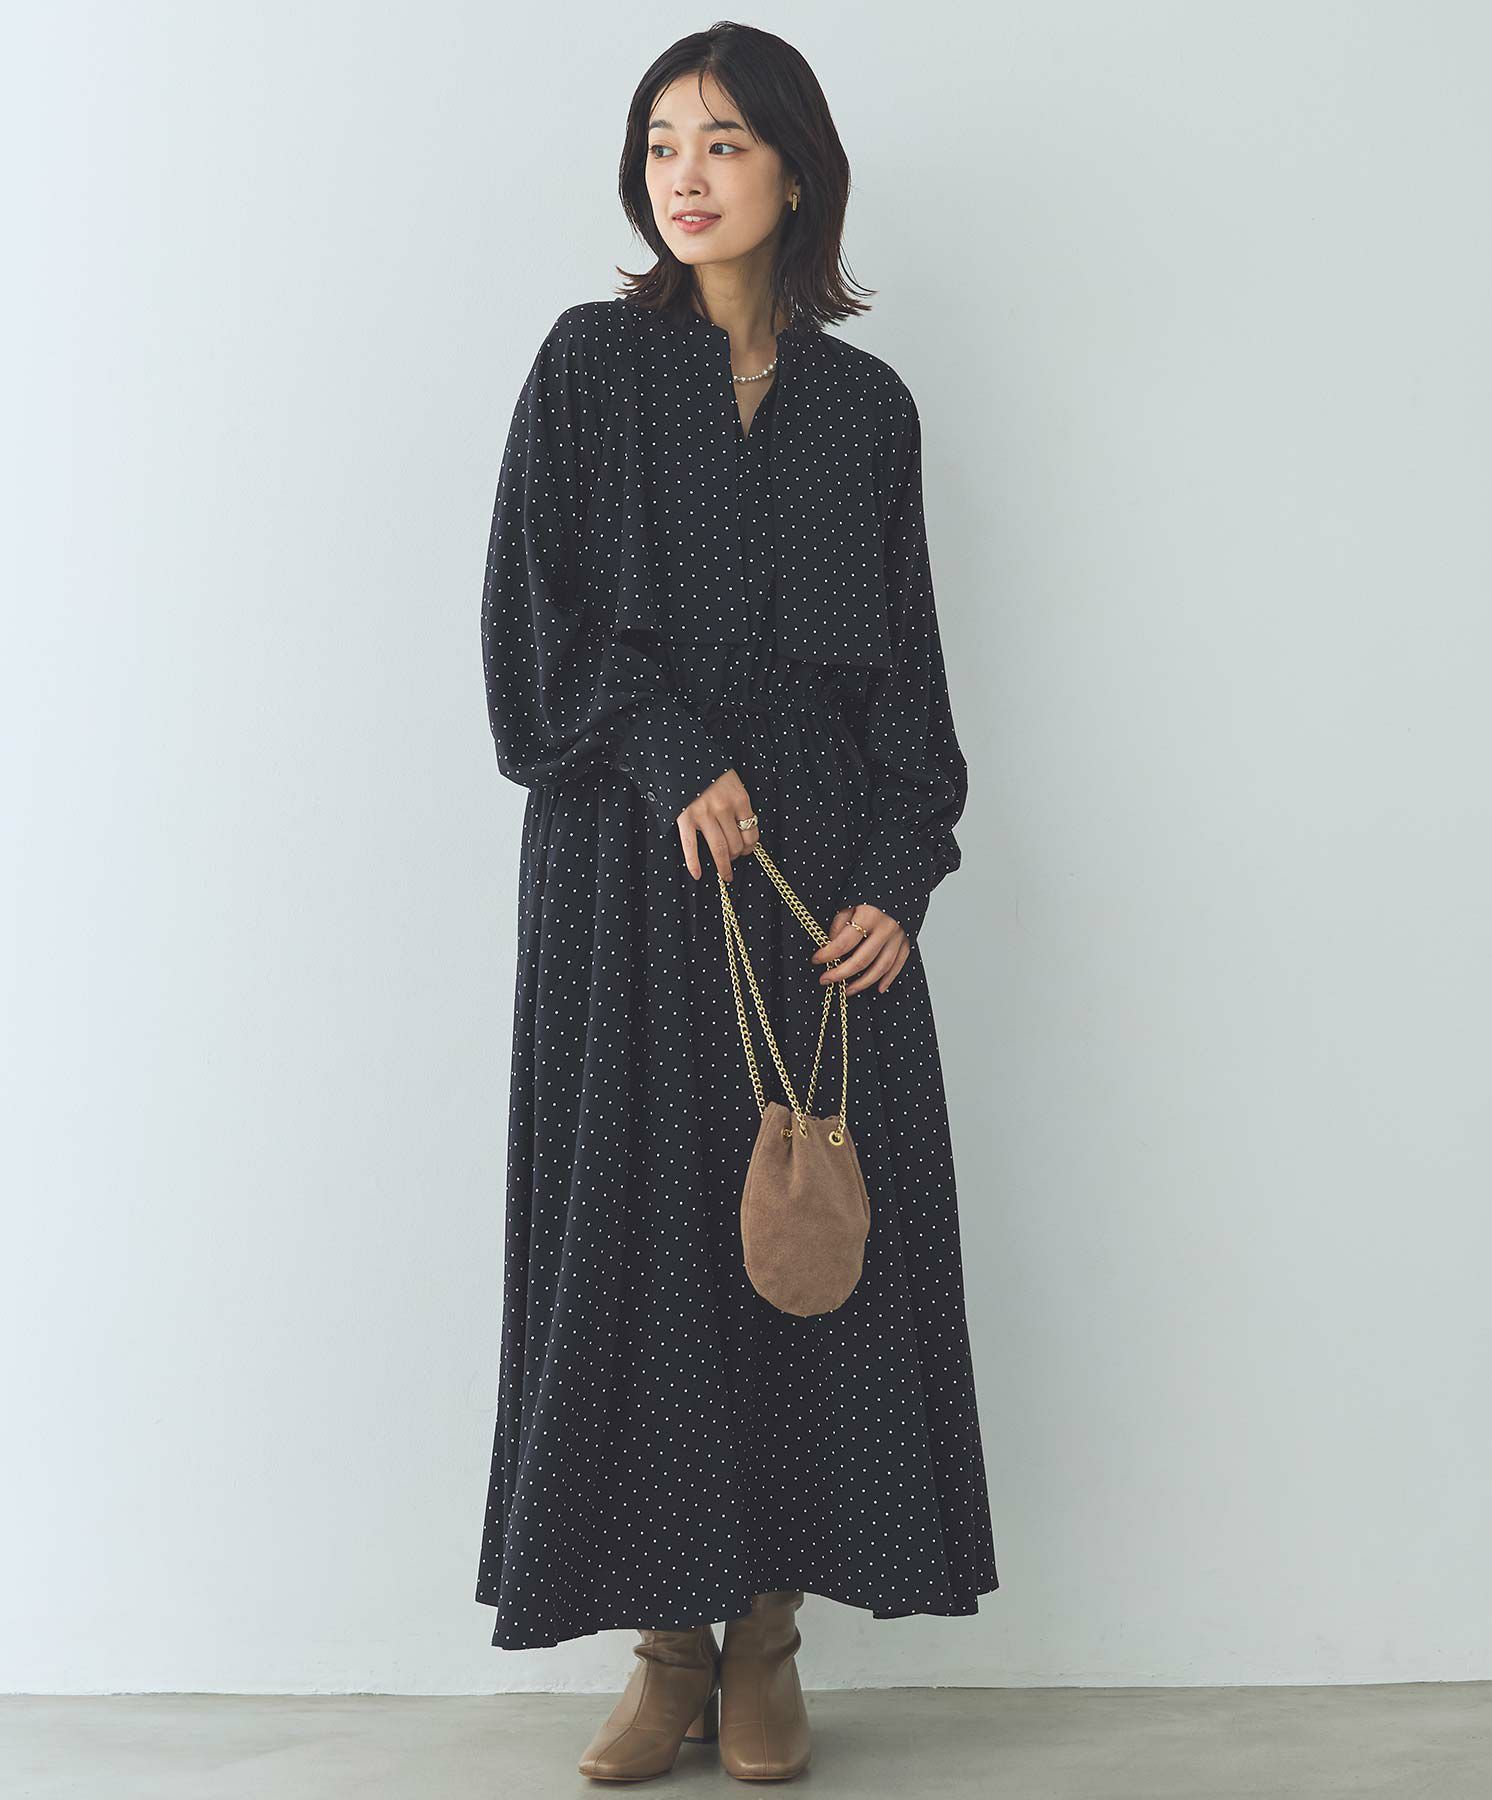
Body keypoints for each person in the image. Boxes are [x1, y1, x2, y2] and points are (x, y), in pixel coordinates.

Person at [475, 23, 999, 1783]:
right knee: (641, 1245)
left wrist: (898, 879)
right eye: (659, 145)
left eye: (720, 142)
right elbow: (532, 629)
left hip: (816, 893)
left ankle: (768, 1640)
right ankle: (666, 1650)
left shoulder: (869, 410)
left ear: (795, 168)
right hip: (633, 878)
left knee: (804, 1250)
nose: (684, 176)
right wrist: (670, 750)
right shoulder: (590, 368)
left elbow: (910, 685)